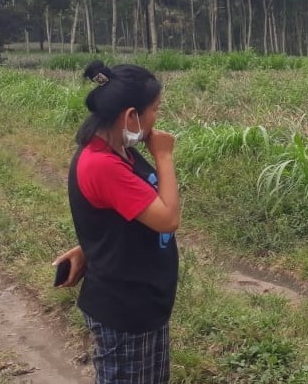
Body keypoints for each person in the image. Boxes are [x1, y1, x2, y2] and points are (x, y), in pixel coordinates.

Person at [53, 60, 180, 384]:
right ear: (130, 116)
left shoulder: (120, 149)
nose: (157, 118)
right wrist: (164, 156)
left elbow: (117, 211)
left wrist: (91, 246)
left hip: (142, 301)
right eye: (155, 109)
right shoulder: (102, 163)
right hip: (125, 309)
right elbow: (167, 218)